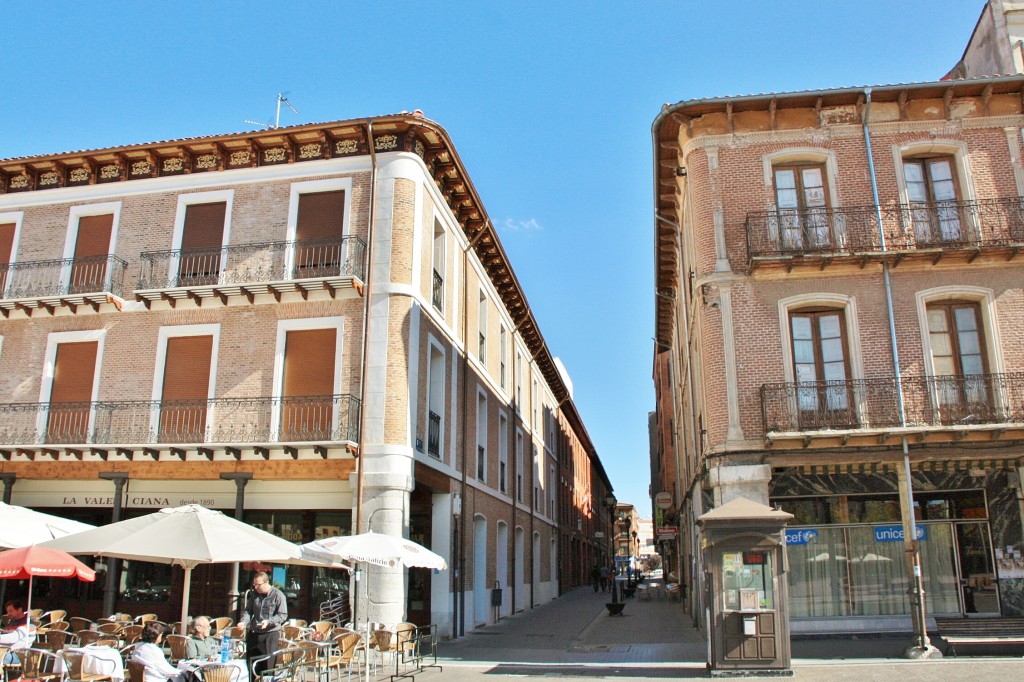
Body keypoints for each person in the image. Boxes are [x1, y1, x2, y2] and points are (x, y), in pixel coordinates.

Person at [239, 571, 287, 676]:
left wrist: (269, 622)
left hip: (269, 636)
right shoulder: (254, 594)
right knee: (251, 668)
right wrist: (243, 622)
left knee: (267, 669)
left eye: (258, 585)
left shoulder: (278, 595)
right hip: (254, 634)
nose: (255, 587)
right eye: (254, 585)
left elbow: (283, 615)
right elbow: (248, 611)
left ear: (266, 582)